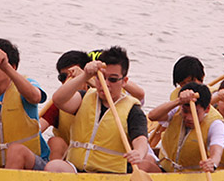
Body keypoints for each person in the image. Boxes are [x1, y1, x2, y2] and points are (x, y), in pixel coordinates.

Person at [45, 46, 154, 174]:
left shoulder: (133, 110)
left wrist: (138, 153)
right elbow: (59, 99)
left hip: (110, 174)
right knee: (54, 167)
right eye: (101, 77)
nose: (105, 84)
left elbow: (140, 139)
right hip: (77, 169)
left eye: (112, 79)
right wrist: (85, 75)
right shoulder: (83, 97)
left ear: (124, 81)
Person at [0, 39, 48, 170]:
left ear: (13, 67)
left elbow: (35, 97)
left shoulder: (26, 85)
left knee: (16, 150)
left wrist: (5, 65)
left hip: (32, 163)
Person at [157, 82, 224, 173]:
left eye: (195, 113)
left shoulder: (216, 123)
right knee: (146, 164)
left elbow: (217, 148)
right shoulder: (178, 108)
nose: (189, 118)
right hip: (165, 169)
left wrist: (213, 162)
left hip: (193, 176)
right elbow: (153, 116)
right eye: (185, 111)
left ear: (207, 109)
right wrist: (178, 101)